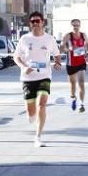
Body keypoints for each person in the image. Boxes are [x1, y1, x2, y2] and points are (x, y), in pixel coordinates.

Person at [14, 11, 63, 147]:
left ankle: (38, 137)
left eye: (38, 21)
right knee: (31, 111)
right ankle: (32, 115)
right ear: (30, 24)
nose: (35, 23)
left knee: (42, 105)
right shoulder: (24, 39)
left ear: (43, 23)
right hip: (28, 78)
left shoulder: (49, 39)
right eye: (33, 21)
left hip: (44, 76)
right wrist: (23, 67)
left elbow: (57, 54)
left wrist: (58, 63)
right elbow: (16, 57)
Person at [61, 19, 88, 112]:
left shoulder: (83, 35)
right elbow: (61, 47)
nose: (76, 27)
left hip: (81, 62)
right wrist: (68, 49)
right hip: (71, 64)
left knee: (81, 83)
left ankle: (81, 104)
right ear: (71, 26)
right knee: (73, 84)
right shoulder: (67, 36)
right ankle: (73, 98)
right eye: (74, 25)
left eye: (77, 25)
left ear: (80, 26)